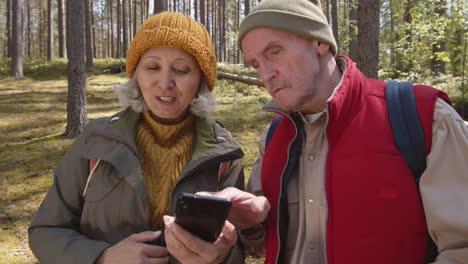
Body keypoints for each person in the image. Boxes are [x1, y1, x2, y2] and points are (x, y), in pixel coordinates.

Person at [204, 0, 468, 263]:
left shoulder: (425, 119)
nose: (266, 74)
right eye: (256, 64)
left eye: (274, 51)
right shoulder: (272, 138)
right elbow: (263, 245)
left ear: (319, 42)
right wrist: (251, 225)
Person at [28, 12, 245, 264]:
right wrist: (103, 257)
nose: (165, 83)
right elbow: (45, 231)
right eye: (152, 67)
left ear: (201, 81)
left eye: (182, 70)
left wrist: (222, 256)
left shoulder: (223, 154)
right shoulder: (95, 141)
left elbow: (236, 245)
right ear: (137, 75)